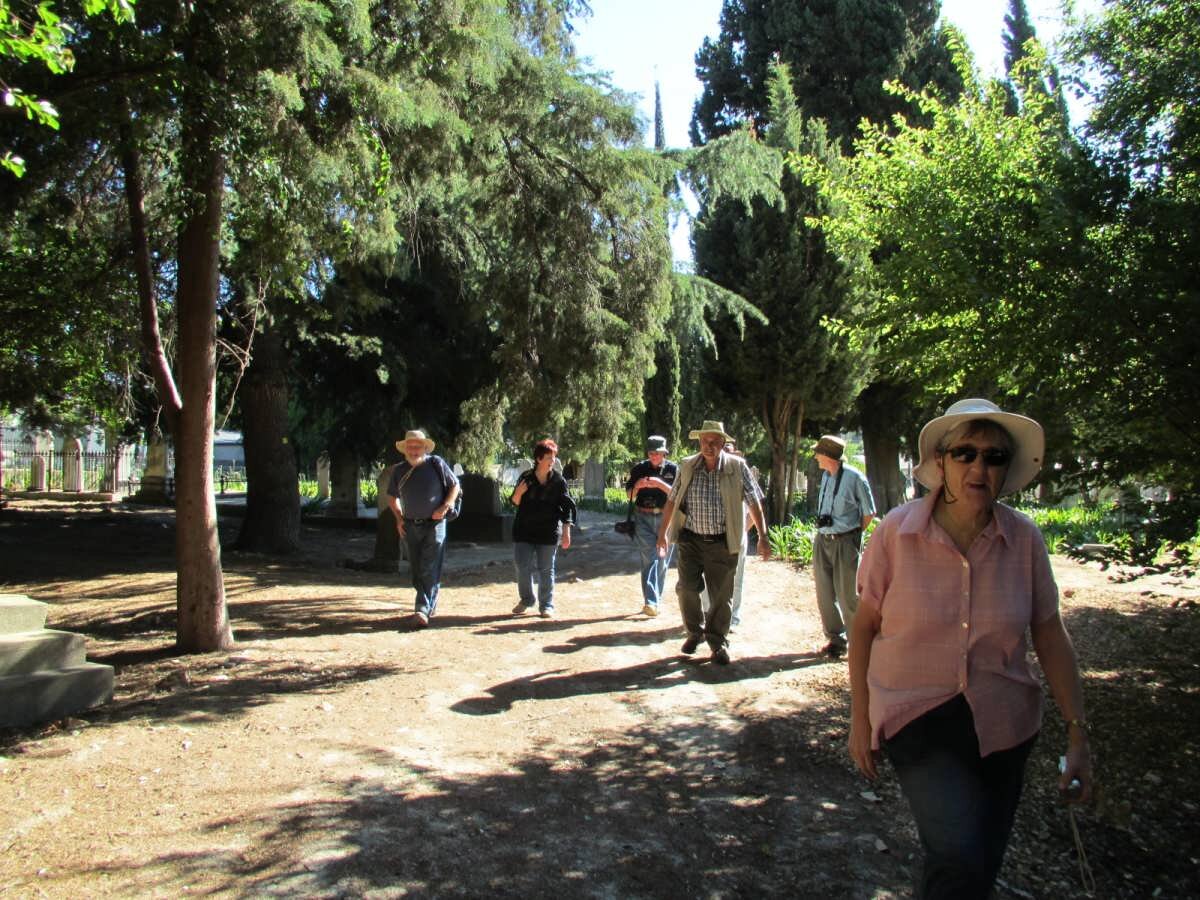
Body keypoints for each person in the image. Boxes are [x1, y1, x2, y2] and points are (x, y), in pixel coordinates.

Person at [849, 399, 1093, 899]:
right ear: (941, 463)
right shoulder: (896, 532)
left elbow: (1049, 634)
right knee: (957, 852)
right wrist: (860, 716)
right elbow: (864, 627)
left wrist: (1078, 736)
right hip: (916, 715)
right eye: (965, 453)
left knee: (979, 859)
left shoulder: (1023, 540)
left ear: (1006, 469)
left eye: (994, 456)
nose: (979, 467)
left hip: (1004, 721)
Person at [656, 420, 770, 665]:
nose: (709, 446)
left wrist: (763, 536)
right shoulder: (687, 466)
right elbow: (672, 501)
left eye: (715, 442)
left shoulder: (737, 468)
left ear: (723, 443)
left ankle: (717, 642)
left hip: (722, 543)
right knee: (686, 588)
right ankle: (694, 633)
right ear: (699, 442)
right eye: (705, 441)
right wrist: (662, 535)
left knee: (721, 596)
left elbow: (754, 502)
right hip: (691, 540)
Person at [386, 429, 460, 629]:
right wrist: (398, 518)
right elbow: (392, 497)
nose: (414, 449)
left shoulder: (436, 464)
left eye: (418, 446)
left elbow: (455, 485)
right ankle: (429, 602)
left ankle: (422, 609)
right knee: (417, 569)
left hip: (435, 524)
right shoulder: (399, 470)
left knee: (429, 565)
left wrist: (445, 506)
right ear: (405, 449)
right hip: (410, 525)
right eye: (410, 446)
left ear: (425, 448)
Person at [811, 434, 876, 658]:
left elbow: (869, 513)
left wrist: (853, 534)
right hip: (823, 540)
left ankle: (860, 642)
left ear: (828, 455)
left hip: (845, 541)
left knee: (848, 595)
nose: (815, 456)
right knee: (824, 593)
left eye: (818, 452)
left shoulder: (856, 478)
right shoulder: (827, 476)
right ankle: (836, 640)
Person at [509, 439, 577, 619]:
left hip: (548, 532)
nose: (552, 460)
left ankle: (546, 605)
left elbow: (567, 508)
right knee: (521, 566)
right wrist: (518, 493)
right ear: (539, 459)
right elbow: (514, 502)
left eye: (554, 456)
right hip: (524, 530)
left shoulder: (558, 481)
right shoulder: (526, 478)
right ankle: (527, 599)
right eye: (549, 457)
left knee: (546, 569)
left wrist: (566, 532)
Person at [700, 440, 755, 629]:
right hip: (714, 536)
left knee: (736, 578)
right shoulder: (712, 474)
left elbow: (755, 509)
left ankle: (733, 617)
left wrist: (740, 531)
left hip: (738, 536)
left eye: (729, 451)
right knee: (708, 577)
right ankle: (709, 614)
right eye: (724, 450)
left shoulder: (742, 473)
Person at [625, 435, 679, 617]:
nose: (654, 456)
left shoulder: (673, 469)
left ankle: (655, 599)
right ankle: (651, 601)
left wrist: (660, 484)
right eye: (651, 453)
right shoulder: (639, 469)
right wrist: (638, 486)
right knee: (649, 559)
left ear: (664, 453)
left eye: (658, 453)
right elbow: (629, 496)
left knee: (662, 561)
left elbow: (679, 496)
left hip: (667, 518)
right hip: (643, 518)